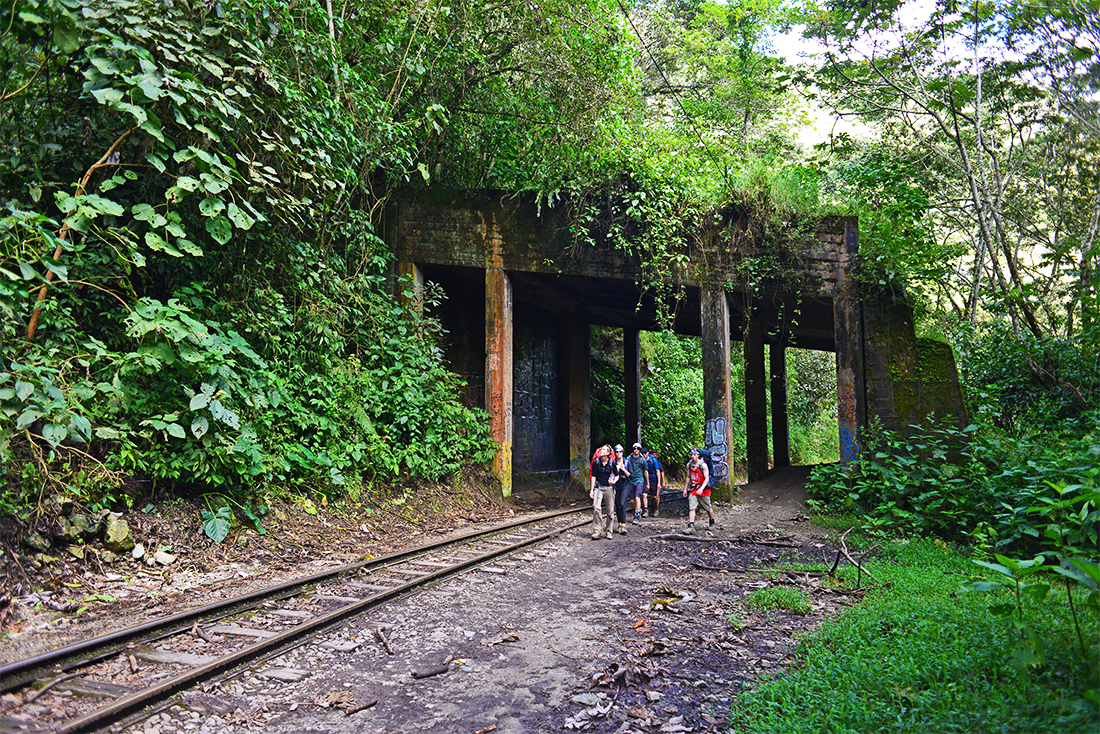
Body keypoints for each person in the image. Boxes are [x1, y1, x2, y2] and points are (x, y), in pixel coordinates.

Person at [682, 448, 715, 535]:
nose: (692, 456)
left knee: (708, 507)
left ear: (698, 455)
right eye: (691, 455)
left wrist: (701, 488)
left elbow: (707, 478)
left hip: (703, 489)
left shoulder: (703, 465)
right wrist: (685, 488)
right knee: (692, 507)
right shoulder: (689, 465)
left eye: (694, 455)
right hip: (694, 489)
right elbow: (688, 477)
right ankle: (691, 526)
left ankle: (712, 521)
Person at [589, 444, 619, 539]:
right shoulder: (596, 462)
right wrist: (592, 489)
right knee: (596, 507)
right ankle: (597, 530)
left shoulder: (611, 463)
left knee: (610, 511)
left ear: (608, 453)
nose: (601, 451)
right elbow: (593, 476)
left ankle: (609, 531)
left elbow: (617, 475)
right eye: (601, 449)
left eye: (604, 450)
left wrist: (614, 481)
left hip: (609, 487)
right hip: (599, 487)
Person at [624, 442, 649, 525]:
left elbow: (645, 471)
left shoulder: (642, 460)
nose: (636, 450)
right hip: (631, 480)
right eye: (634, 448)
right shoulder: (629, 458)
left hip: (639, 480)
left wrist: (647, 482)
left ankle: (637, 515)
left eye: (637, 448)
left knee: (637, 497)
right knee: (632, 500)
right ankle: (638, 509)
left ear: (640, 450)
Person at [612, 444, 630, 533]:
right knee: (618, 505)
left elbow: (631, 475)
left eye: (620, 452)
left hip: (625, 485)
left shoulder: (627, 462)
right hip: (616, 485)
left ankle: (623, 525)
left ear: (622, 453)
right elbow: (611, 474)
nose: (619, 453)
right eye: (617, 452)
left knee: (622, 503)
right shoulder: (612, 463)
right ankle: (620, 524)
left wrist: (623, 469)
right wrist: (617, 469)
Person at [642, 446, 664, 517]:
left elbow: (658, 471)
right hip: (646, 478)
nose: (644, 455)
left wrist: (659, 482)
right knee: (645, 494)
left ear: (648, 453)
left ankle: (656, 508)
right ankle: (647, 509)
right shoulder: (642, 460)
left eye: (645, 453)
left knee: (654, 496)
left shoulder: (653, 460)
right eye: (642, 453)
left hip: (654, 478)